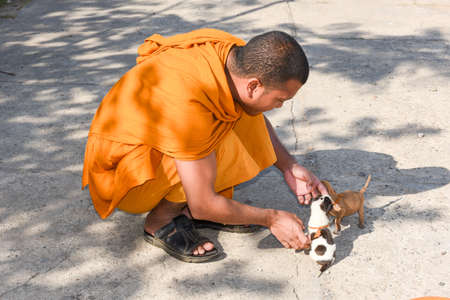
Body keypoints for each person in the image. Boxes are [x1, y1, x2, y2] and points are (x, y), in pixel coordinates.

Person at [82, 28, 327, 263]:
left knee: (240, 113)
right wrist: (271, 219)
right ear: (253, 85)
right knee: (216, 139)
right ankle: (161, 220)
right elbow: (203, 204)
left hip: (163, 135)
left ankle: (209, 209)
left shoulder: (234, 56)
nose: (279, 107)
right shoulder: (191, 105)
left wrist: (289, 166)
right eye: (280, 100)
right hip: (124, 178)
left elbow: (254, 118)